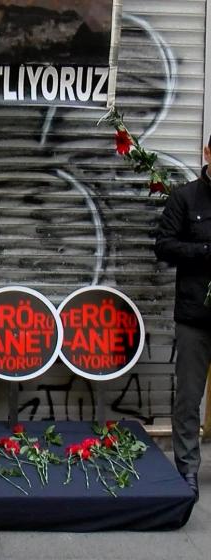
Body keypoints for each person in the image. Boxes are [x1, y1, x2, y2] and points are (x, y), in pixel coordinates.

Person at [154, 134, 211, 502]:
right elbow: (164, 246)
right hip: (196, 317)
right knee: (189, 397)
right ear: (208, 153)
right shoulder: (185, 197)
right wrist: (206, 250)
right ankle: (187, 468)